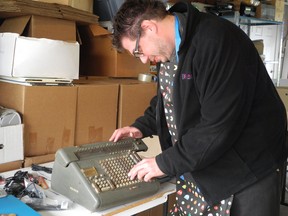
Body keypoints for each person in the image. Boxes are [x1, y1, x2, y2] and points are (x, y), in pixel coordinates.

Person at [109, 0, 288, 215]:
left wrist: (163, 163)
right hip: (204, 166)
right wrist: (142, 127)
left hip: (246, 171)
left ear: (149, 27)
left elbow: (218, 125)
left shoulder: (216, 41)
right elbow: (169, 98)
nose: (144, 59)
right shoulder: (171, 49)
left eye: (138, 50)